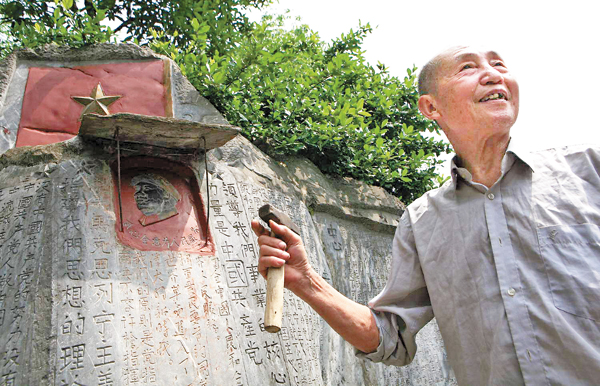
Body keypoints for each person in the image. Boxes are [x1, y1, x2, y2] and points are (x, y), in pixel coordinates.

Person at [251, 46, 600, 385]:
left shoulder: (588, 170)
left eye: (499, 64)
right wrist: (306, 281)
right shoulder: (422, 222)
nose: (493, 74)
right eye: (468, 68)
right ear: (431, 106)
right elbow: (391, 338)